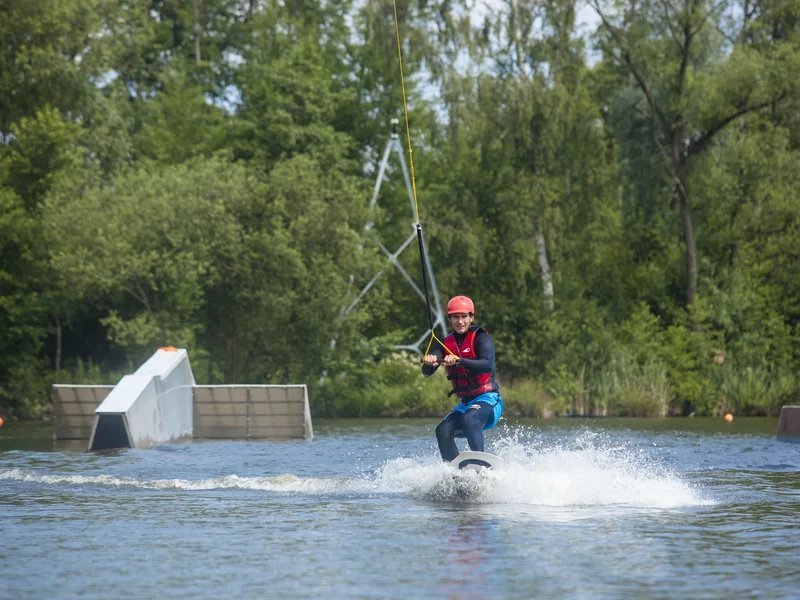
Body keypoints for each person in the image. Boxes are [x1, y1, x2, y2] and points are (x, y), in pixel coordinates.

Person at [422, 295, 503, 461]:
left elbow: (487, 364)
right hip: (465, 404)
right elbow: (426, 372)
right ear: (450, 319)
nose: (460, 321)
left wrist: (460, 360)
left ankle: (481, 466)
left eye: (464, 317)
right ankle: (454, 470)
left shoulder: (481, 338)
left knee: (469, 419)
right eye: (456, 317)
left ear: (471, 317)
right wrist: (430, 362)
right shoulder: (444, 343)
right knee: (443, 430)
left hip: (488, 400)